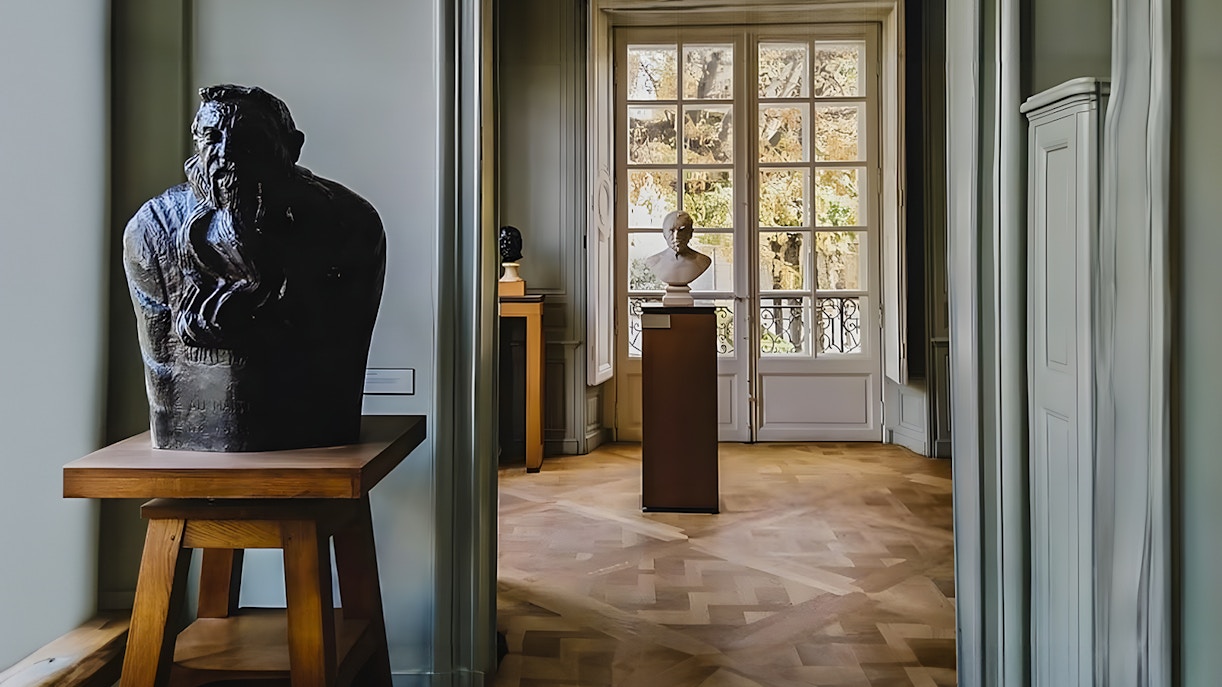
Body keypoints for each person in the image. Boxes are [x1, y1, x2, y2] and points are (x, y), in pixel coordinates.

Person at [123, 84, 386, 451]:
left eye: (249, 138)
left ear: (291, 148)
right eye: (211, 138)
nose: (227, 155)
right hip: (187, 435)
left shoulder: (350, 225)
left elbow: (340, 362)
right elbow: (163, 368)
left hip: (312, 432)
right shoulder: (152, 230)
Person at [644, 210, 712, 287]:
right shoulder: (653, 262)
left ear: (690, 233)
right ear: (664, 234)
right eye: (671, 231)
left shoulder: (702, 261)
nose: (676, 236)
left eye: (681, 231)